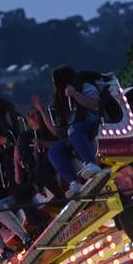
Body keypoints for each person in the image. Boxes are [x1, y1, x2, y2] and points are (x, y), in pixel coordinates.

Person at [34, 66, 105, 197]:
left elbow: (95, 104)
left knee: (73, 130)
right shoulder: (60, 100)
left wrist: (75, 94)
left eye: (55, 81)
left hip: (94, 124)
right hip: (74, 133)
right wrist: (42, 110)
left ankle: (91, 163)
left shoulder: (84, 86)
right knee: (54, 151)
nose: (54, 86)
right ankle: (74, 183)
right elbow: (57, 131)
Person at [15, 106, 64, 201]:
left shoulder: (52, 128)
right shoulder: (27, 138)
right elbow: (34, 162)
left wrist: (44, 144)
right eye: (32, 116)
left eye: (38, 114)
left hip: (58, 158)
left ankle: (62, 198)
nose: (36, 117)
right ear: (28, 121)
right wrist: (35, 149)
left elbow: (64, 142)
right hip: (44, 167)